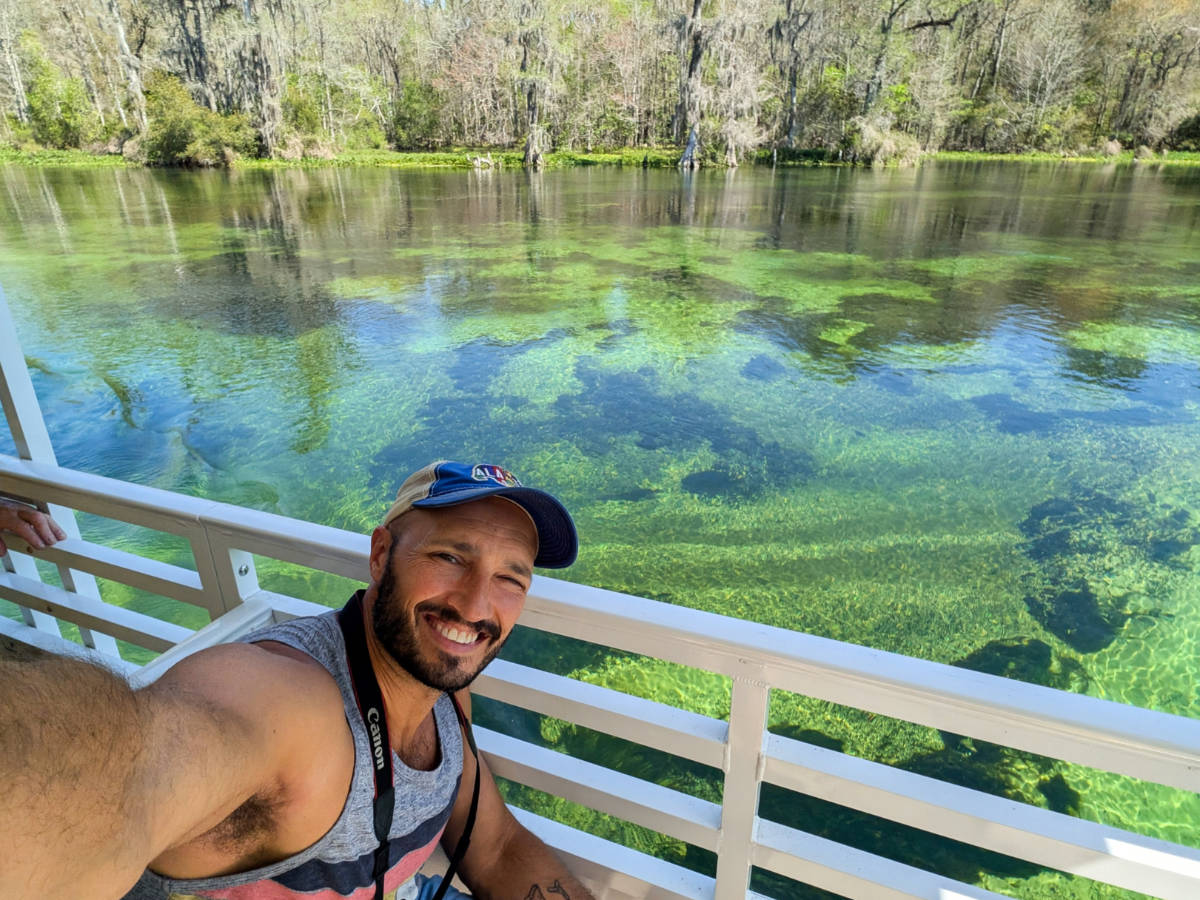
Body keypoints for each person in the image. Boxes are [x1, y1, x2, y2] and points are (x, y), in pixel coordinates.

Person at [0, 461, 596, 900]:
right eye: (450, 558)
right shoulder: (292, 704)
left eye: (510, 578)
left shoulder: (446, 687)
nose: (474, 605)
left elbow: (496, 849)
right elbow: (121, 771)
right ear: (381, 555)